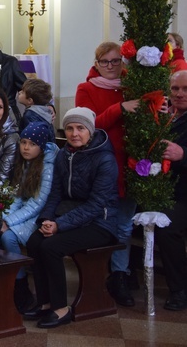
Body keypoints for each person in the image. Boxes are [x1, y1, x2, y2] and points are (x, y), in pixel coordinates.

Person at [24, 107, 118, 329]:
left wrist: (60, 225)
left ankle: (60, 308)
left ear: (90, 131)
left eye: (80, 128)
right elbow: (55, 192)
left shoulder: (105, 159)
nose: (74, 133)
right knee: (34, 241)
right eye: (69, 128)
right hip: (71, 217)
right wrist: (46, 219)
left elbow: (96, 205)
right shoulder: (64, 154)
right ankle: (45, 302)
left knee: (51, 247)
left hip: (100, 223)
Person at [75, 41, 138, 307]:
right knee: (100, 221)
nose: (111, 66)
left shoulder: (132, 87)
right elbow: (89, 125)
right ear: (96, 63)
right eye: (105, 62)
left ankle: (119, 275)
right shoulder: (86, 88)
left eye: (115, 61)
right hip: (101, 164)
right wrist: (120, 108)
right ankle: (94, 276)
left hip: (130, 163)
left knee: (124, 224)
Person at [0, 122, 58, 313]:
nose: (25, 147)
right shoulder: (23, 162)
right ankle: (1, 286)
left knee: (8, 237)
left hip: (38, 216)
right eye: (23, 142)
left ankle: (21, 284)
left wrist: (9, 222)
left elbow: (37, 204)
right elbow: (16, 196)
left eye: (32, 144)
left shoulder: (47, 167)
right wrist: (2, 217)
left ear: (41, 146)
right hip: (22, 213)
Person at [157, 70, 187, 311]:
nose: (179, 94)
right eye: (175, 89)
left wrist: (183, 154)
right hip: (167, 190)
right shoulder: (168, 116)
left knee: (168, 226)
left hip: (184, 194)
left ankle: (179, 290)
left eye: (185, 89)